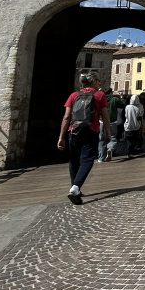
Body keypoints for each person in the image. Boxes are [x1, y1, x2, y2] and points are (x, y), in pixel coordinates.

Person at [58, 72, 111, 204]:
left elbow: (66, 117)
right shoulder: (100, 95)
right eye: (98, 81)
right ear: (93, 82)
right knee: (87, 160)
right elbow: (105, 116)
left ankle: (75, 188)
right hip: (91, 131)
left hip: (73, 131)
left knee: (74, 161)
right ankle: (75, 188)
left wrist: (61, 137)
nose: (100, 83)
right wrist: (108, 132)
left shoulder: (73, 95)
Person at [124, 94, 145, 158]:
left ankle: (129, 152)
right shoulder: (140, 106)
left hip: (128, 126)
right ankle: (133, 151)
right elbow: (140, 116)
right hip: (137, 126)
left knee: (129, 140)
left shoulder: (127, 107)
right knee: (135, 139)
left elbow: (125, 115)